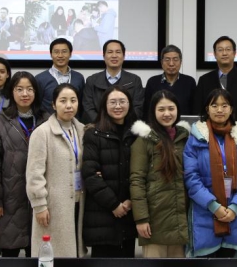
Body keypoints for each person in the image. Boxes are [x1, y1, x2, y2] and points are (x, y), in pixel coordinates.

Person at [184, 89, 237, 258]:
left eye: (224, 105)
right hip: (204, 212)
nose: (220, 110)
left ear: (231, 109)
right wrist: (214, 207)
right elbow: (191, 177)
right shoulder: (196, 137)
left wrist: (235, 207)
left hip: (235, 214)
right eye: (214, 105)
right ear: (207, 109)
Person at [0, 72, 43, 258]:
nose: (25, 94)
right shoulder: (0, 123)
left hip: (40, 197)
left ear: (36, 92)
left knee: (38, 254)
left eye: (29, 89)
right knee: (10, 255)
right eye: (19, 89)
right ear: (11, 92)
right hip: (10, 198)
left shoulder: (46, 120)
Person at [25, 83, 87, 258]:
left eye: (73, 100)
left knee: (75, 251)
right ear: (53, 104)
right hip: (53, 204)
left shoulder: (82, 130)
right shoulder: (42, 133)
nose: (69, 105)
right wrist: (39, 206)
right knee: (53, 253)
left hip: (79, 201)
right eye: (63, 101)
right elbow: (34, 174)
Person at [130, 90, 190, 258]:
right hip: (154, 222)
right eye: (161, 109)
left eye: (171, 108)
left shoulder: (185, 138)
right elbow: (137, 180)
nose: (167, 114)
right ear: (153, 111)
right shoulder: (144, 140)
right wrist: (141, 219)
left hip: (180, 222)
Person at [82, 86, 139, 257]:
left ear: (129, 104)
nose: (118, 106)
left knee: (127, 265)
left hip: (129, 212)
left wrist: (131, 200)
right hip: (102, 214)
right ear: (104, 105)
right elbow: (90, 174)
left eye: (122, 101)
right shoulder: (93, 134)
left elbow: (141, 173)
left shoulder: (137, 134)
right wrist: (114, 204)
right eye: (112, 102)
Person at [194, 36, 237, 128]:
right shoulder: (204, 80)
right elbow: (199, 110)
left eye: (228, 49)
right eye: (220, 50)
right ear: (215, 54)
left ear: (234, 53)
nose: (224, 53)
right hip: (211, 132)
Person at [82, 40, 144, 123]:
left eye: (118, 52)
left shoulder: (135, 80)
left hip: (126, 127)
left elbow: (138, 108)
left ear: (124, 56)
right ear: (104, 56)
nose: (114, 56)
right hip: (98, 127)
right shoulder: (92, 81)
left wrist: (121, 124)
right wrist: (102, 124)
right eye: (110, 52)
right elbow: (88, 108)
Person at [143, 45, 196, 118]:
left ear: (181, 62)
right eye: (167, 60)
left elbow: (194, 110)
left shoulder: (189, 82)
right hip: (158, 123)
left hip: (184, 123)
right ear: (161, 62)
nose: (171, 64)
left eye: (175, 59)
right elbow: (147, 111)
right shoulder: (152, 82)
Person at [35, 38, 86, 115]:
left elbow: (82, 105)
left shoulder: (78, 78)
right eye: (56, 52)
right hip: (49, 122)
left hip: (73, 121)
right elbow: (36, 106)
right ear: (51, 54)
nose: (60, 55)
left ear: (70, 54)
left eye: (64, 52)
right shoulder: (40, 79)